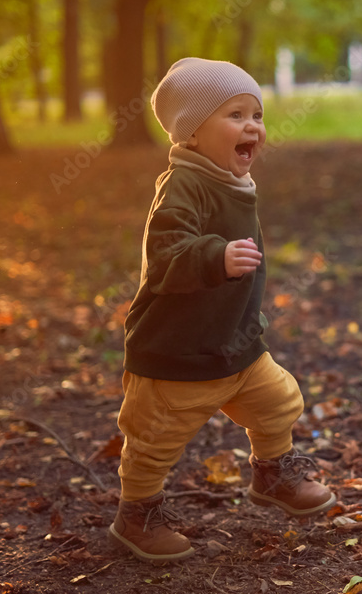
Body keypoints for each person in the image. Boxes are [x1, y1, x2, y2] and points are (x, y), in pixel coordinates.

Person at [108, 58, 336, 564]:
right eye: (235, 114)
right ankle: (137, 514)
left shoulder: (231, 180)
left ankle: (273, 472)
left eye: (256, 114)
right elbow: (166, 253)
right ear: (192, 131)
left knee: (279, 400)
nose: (252, 126)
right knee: (153, 442)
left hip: (235, 345)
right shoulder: (182, 185)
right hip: (176, 352)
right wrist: (216, 256)